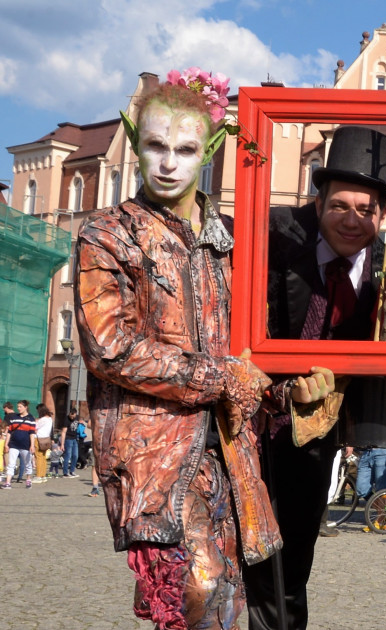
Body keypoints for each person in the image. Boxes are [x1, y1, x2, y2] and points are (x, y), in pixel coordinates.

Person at [74, 68, 280, 629]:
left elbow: (254, 348)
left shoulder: (235, 242)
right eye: (155, 146)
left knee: (224, 601)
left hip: (232, 453)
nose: (168, 163)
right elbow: (109, 345)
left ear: (209, 148)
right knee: (194, 590)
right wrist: (221, 379)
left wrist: (281, 389)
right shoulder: (109, 232)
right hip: (153, 454)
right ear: (133, 140)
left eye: (185, 149)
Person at [242, 125, 386, 630]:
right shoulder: (275, 236)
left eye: (366, 209)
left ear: (382, 213)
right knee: (240, 552)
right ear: (317, 199)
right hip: (248, 419)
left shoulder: (383, 267)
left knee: (293, 552)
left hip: (316, 433)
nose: (352, 221)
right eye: (339, 206)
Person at [2, 401, 36, 489]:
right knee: (11, 463)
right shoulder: (14, 417)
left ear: (25, 407)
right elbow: (9, 432)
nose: (18, 408)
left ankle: (28, 479)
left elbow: (32, 433)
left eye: (20, 407)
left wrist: (32, 445)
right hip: (14, 444)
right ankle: (8, 482)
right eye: (18, 407)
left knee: (27, 463)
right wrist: (6, 444)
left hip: (25, 444)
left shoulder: (31, 418)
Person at [33, 403, 54, 482]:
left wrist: (36, 421)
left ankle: (38, 476)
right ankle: (43, 475)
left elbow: (35, 427)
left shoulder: (42, 419)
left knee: (38, 457)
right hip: (46, 439)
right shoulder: (49, 419)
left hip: (38, 438)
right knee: (43, 457)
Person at [60, 412, 83, 478]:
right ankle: (65, 473)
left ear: (76, 414)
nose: (72, 417)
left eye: (73, 416)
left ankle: (72, 471)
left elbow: (80, 421)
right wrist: (62, 444)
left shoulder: (77, 417)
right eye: (71, 415)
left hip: (75, 439)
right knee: (68, 455)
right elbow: (63, 432)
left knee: (75, 455)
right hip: (68, 439)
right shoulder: (66, 420)